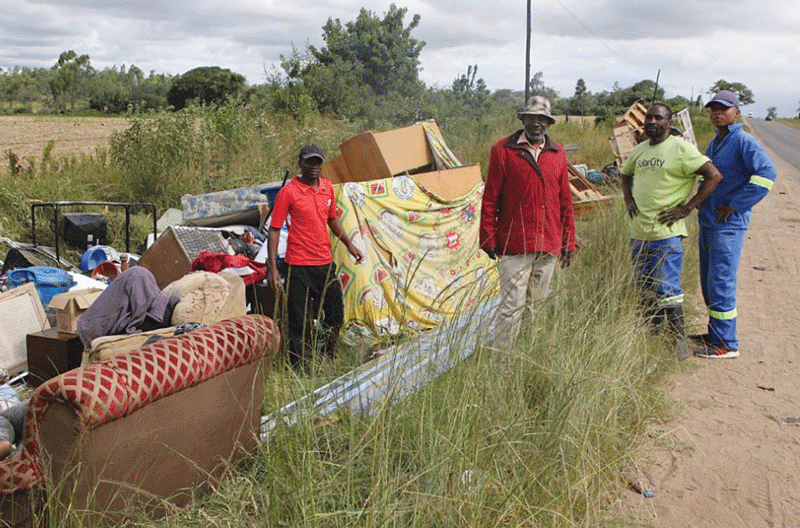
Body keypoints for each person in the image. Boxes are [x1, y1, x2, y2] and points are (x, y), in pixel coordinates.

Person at [620, 103, 723, 359]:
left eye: (659, 117)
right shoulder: (640, 150)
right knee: (644, 287)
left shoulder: (681, 149)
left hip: (665, 235)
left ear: (669, 121)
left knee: (667, 289)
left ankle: (678, 342)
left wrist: (686, 209)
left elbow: (713, 176)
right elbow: (625, 174)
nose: (652, 121)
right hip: (639, 233)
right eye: (649, 117)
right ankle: (652, 335)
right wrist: (629, 200)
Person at [479, 95, 576, 348]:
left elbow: (565, 201)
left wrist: (569, 242)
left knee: (537, 306)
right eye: (531, 118)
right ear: (523, 120)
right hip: (515, 242)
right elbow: (490, 198)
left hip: (549, 242)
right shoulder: (503, 150)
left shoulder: (558, 153)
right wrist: (488, 237)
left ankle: (529, 353)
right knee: (512, 305)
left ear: (548, 123)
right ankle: (503, 362)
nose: (536, 124)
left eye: (542, 119)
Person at [692, 90, 776, 358]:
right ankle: (715, 332)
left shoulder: (743, 141)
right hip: (710, 222)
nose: (717, 113)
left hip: (727, 225)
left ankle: (726, 343)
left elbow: (766, 175)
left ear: (736, 113)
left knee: (721, 282)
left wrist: (736, 205)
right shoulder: (716, 142)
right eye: (713, 108)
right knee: (708, 281)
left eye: (724, 108)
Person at [267, 144, 364, 366]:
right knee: (297, 322)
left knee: (335, 315)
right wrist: (273, 268)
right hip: (297, 266)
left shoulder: (327, 188)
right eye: (309, 161)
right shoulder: (287, 193)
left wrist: (349, 244)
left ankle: (326, 357)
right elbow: (274, 230)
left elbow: (332, 219)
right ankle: (299, 367)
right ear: (300, 162)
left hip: (324, 264)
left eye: (318, 162)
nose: (314, 166)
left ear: (322, 164)